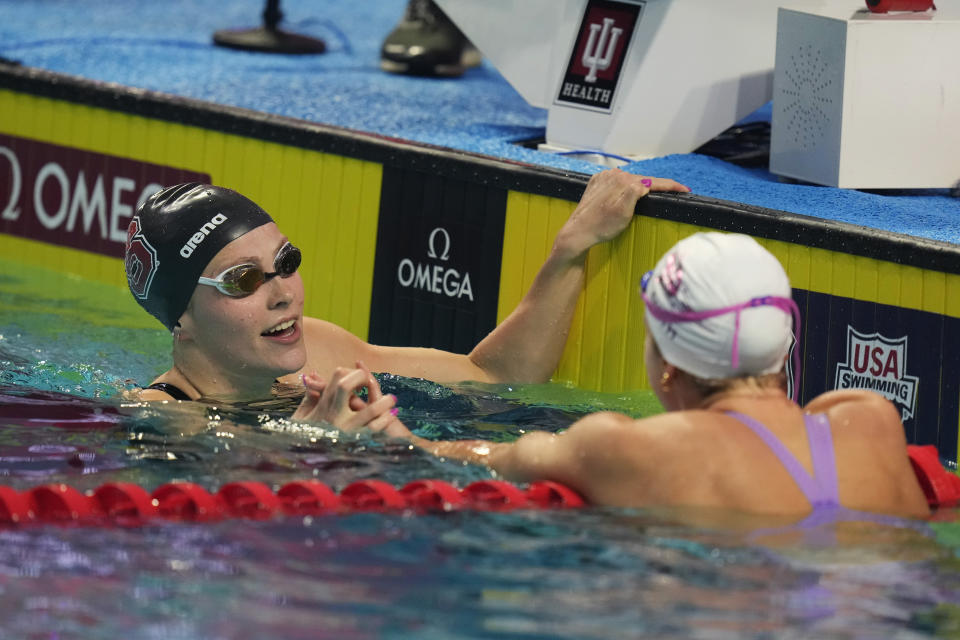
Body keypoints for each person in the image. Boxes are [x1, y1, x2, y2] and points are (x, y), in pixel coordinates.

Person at [360, 232, 930, 519]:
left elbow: (485, 457)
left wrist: (396, 441)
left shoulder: (627, 446)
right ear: (784, 345)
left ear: (667, 362)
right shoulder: (868, 421)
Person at [124, 169, 690, 430]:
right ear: (183, 317)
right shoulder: (162, 417)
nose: (282, 294)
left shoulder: (319, 351)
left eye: (287, 263)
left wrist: (572, 248)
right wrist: (315, 449)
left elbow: (491, 373)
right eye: (244, 280)